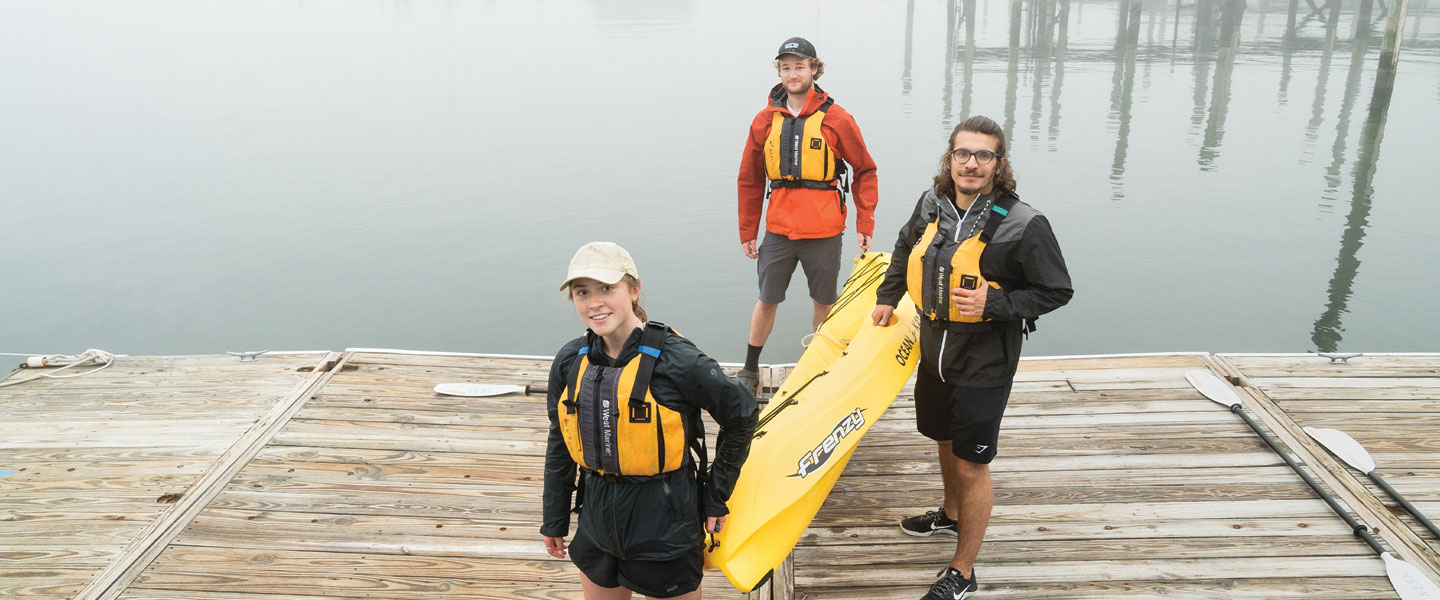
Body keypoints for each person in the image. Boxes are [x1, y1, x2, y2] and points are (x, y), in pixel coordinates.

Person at [871, 116, 1073, 599]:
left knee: (971, 464)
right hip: (934, 348)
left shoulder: (1025, 224)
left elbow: (1056, 290)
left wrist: (997, 303)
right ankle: (951, 514)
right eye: (963, 153)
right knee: (942, 438)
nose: (971, 164)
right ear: (950, 157)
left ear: (999, 164)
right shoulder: (931, 203)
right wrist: (888, 294)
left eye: (984, 155)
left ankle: (963, 573)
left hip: (985, 358)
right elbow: (904, 247)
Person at [542, 242, 759, 599]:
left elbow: (742, 415)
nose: (594, 303)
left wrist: (716, 496)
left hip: (666, 525)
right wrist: (554, 515)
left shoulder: (679, 361)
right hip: (596, 521)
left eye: (606, 289)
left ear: (634, 289)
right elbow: (560, 440)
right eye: (583, 293)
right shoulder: (570, 361)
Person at [735, 36, 879, 395]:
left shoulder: (837, 119)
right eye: (786, 67)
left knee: (824, 302)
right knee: (767, 300)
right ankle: (750, 369)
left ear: (814, 69)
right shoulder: (765, 120)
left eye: (799, 66)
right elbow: (750, 179)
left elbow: (865, 170)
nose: (792, 73)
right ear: (779, 72)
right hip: (779, 230)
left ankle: (819, 367)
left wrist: (865, 221)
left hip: (825, 230)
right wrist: (748, 230)